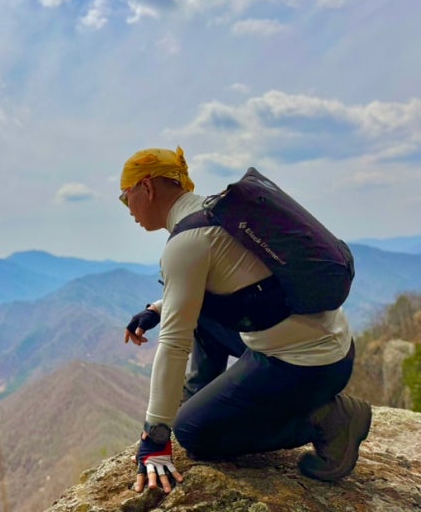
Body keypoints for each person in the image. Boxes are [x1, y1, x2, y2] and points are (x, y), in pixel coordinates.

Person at [119, 147, 372, 494]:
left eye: (125, 197)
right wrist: (157, 309)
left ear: (146, 187)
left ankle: (329, 419)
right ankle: (199, 399)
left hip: (306, 368)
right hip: (330, 349)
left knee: (194, 433)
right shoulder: (219, 212)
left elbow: (174, 343)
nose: (127, 208)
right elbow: (239, 281)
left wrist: (156, 436)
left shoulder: (187, 243)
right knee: (199, 320)